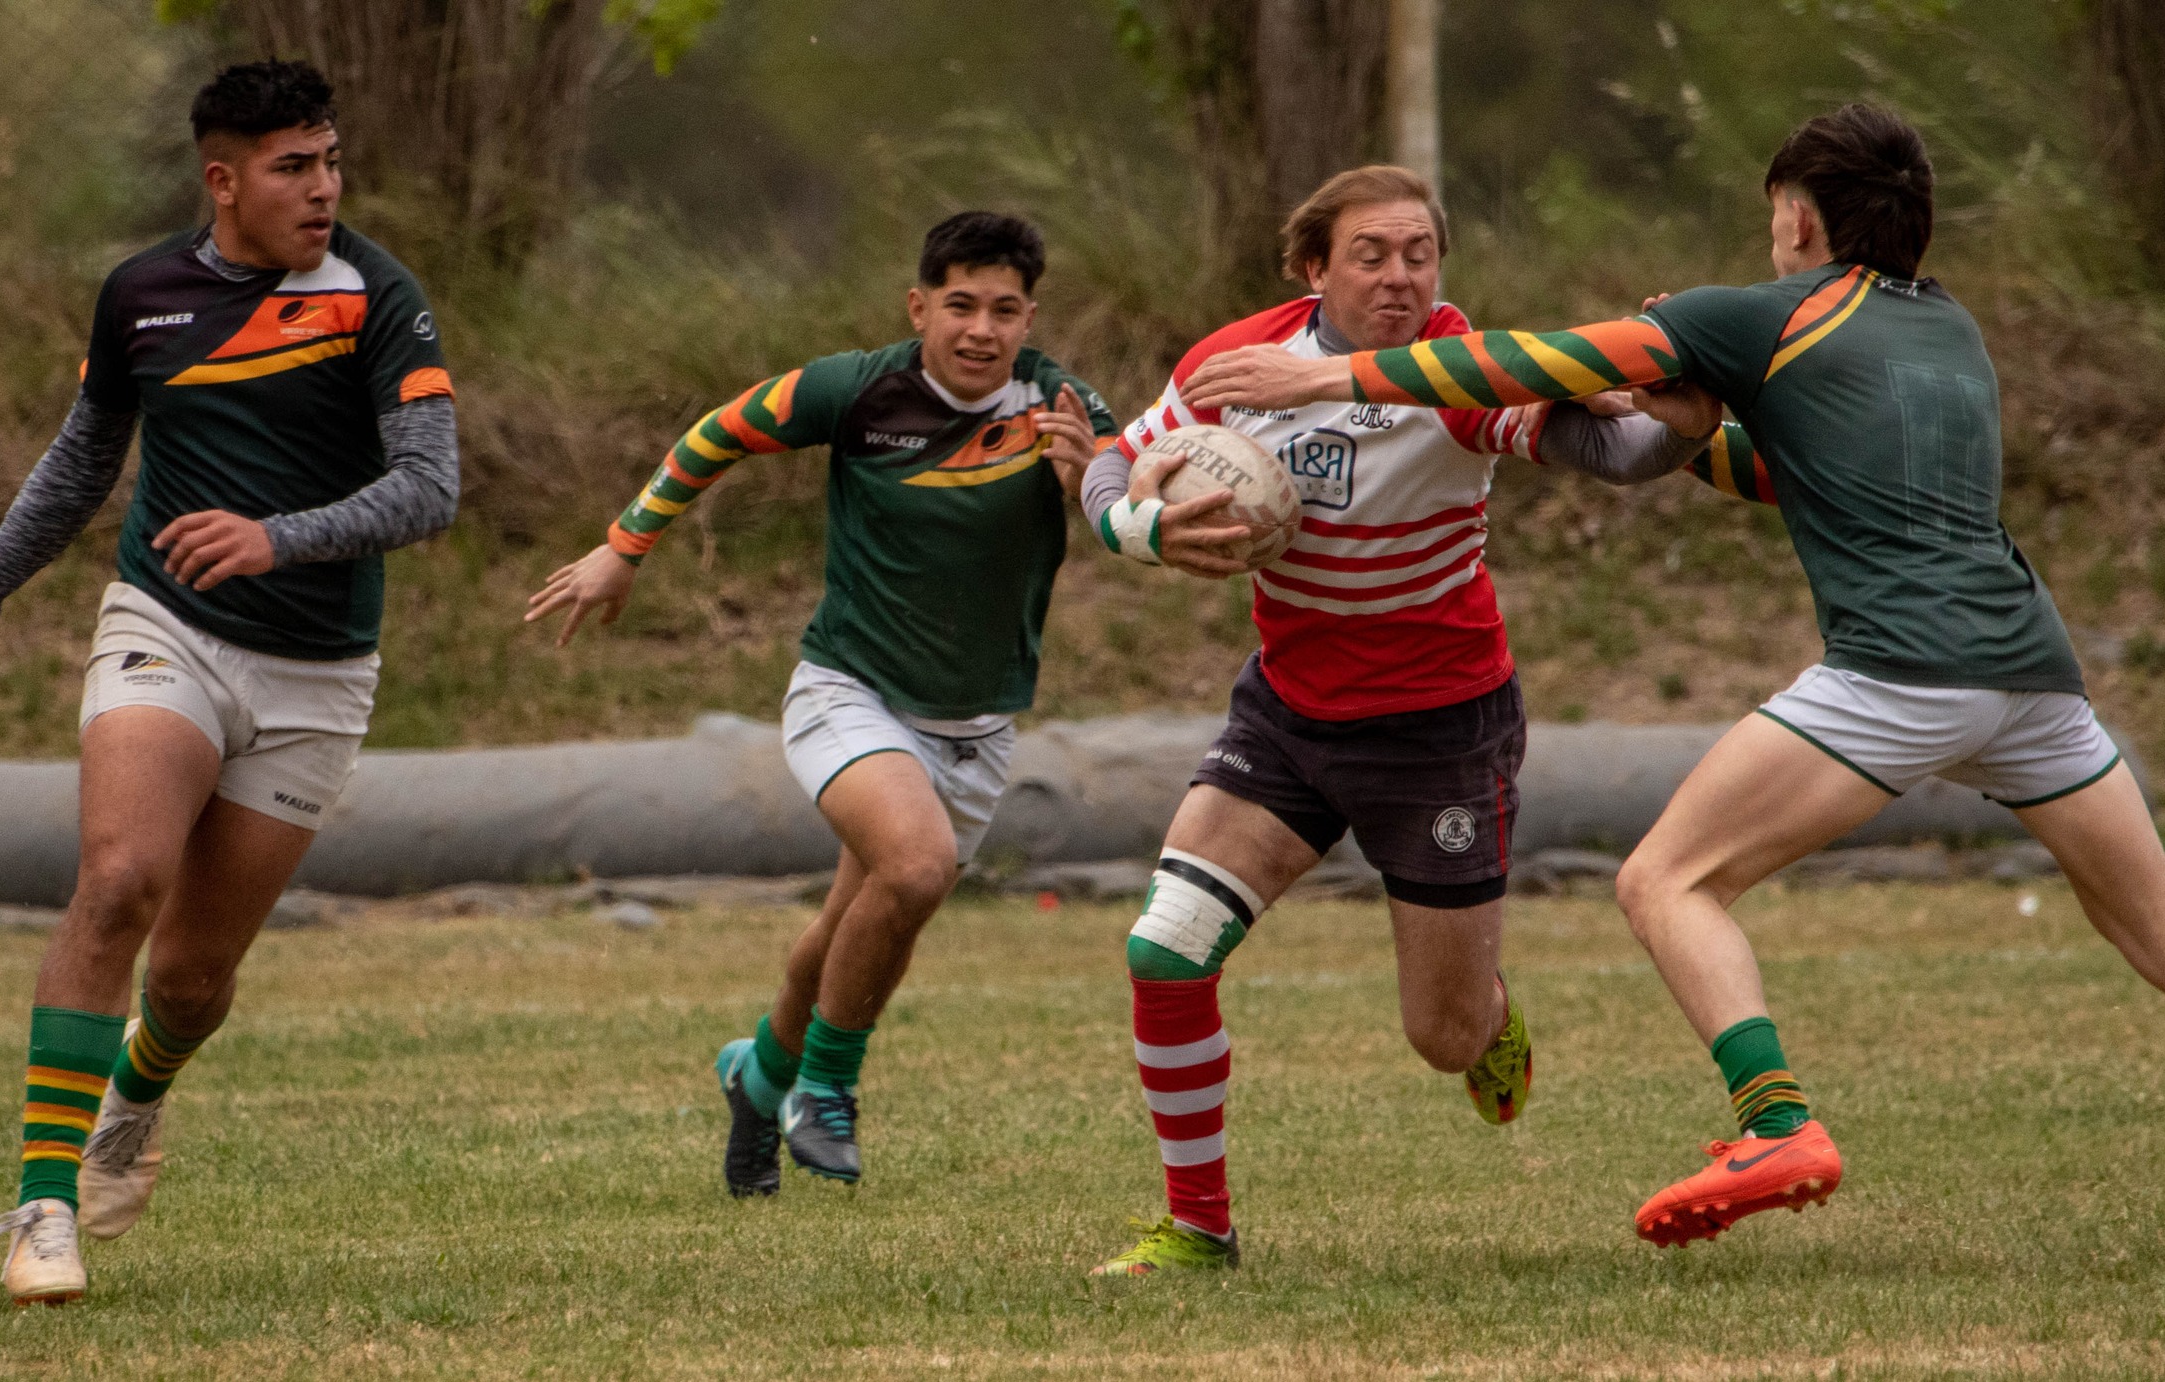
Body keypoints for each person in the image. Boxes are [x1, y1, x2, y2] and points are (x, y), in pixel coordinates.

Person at [1181, 104, 2165, 1247]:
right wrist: (1689, 429)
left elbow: (1530, 363)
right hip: (2036, 675)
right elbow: (1802, 475)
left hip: (1901, 670)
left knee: (1666, 881)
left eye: (1771, 220)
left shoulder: (1756, 312)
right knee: (2144, 925)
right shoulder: (1946, 329)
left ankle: (1776, 1119)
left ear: (1797, 218)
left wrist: (1333, 379)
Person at [1082, 165, 1730, 1274]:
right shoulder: (1237, 361)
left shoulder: (1459, 370)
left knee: (1442, 1038)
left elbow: (1612, 453)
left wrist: (1681, 423)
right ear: (1311, 268)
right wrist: (1143, 531)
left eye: (1418, 253)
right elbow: (1110, 464)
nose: (1398, 276)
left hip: (1440, 732)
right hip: (1287, 711)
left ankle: (1487, 1010)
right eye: (1371, 254)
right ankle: (1198, 1227)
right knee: (1164, 947)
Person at [0, 60, 460, 1305]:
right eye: (291, 167)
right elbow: (80, 464)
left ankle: (134, 1097)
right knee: (118, 880)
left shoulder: (377, 292)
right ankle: (45, 1208)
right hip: (170, 625)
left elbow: (432, 486)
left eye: (329, 161)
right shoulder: (142, 295)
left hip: (318, 669)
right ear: (223, 179)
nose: (323, 188)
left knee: (193, 978)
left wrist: (281, 532)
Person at [528, 212, 1119, 1195]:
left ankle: (757, 1079)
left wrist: (1094, 479)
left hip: (975, 728)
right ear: (918, 304)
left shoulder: (1060, 403)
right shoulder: (858, 387)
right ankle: (826, 1090)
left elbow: (1126, 506)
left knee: (847, 930)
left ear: (1029, 317)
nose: (981, 328)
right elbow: (719, 431)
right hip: (850, 690)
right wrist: (622, 546)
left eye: (1004, 310)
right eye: (960, 304)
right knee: (916, 865)